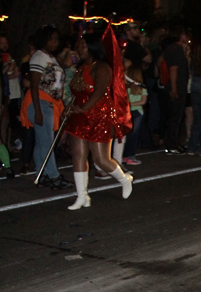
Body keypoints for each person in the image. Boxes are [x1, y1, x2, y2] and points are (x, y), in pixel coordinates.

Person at [65, 32, 133, 210]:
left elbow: (99, 91)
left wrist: (85, 107)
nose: (79, 48)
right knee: (78, 155)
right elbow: (76, 92)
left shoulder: (101, 67)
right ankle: (82, 196)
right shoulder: (81, 67)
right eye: (78, 45)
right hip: (79, 114)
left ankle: (125, 179)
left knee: (101, 160)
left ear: (92, 46)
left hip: (98, 116)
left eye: (83, 45)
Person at [20, 25, 71, 189]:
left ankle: (41, 175)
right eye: (51, 39)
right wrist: (38, 110)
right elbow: (34, 85)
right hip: (40, 102)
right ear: (43, 40)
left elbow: (68, 64)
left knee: (43, 142)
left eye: (57, 39)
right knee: (48, 142)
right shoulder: (39, 57)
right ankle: (54, 176)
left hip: (49, 103)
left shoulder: (50, 58)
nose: (55, 42)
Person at [163, 27, 190, 154]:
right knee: (176, 116)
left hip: (174, 86)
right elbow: (173, 69)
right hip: (177, 87)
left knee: (173, 117)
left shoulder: (169, 49)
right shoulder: (176, 50)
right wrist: (174, 88)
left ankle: (172, 142)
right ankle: (172, 144)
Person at [122, 58, 148, 166]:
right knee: (133, 136)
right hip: (137, 113)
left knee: (125, 136)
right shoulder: (142, 88)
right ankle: (130, 156)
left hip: (127, 112)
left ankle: (123, 156)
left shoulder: (125, 88)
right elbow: (143, 101)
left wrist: (128, 105)